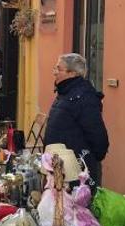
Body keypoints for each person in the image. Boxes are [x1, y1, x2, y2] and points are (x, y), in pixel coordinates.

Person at [44, 53, 109, 186]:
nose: (54, 72)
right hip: (59, 167)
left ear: (72, 73)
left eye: (59, 69)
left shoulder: (84, 97)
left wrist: (90, 159)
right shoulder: (65, 93)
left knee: (77, 206)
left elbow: (97, 133)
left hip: (76, 170)